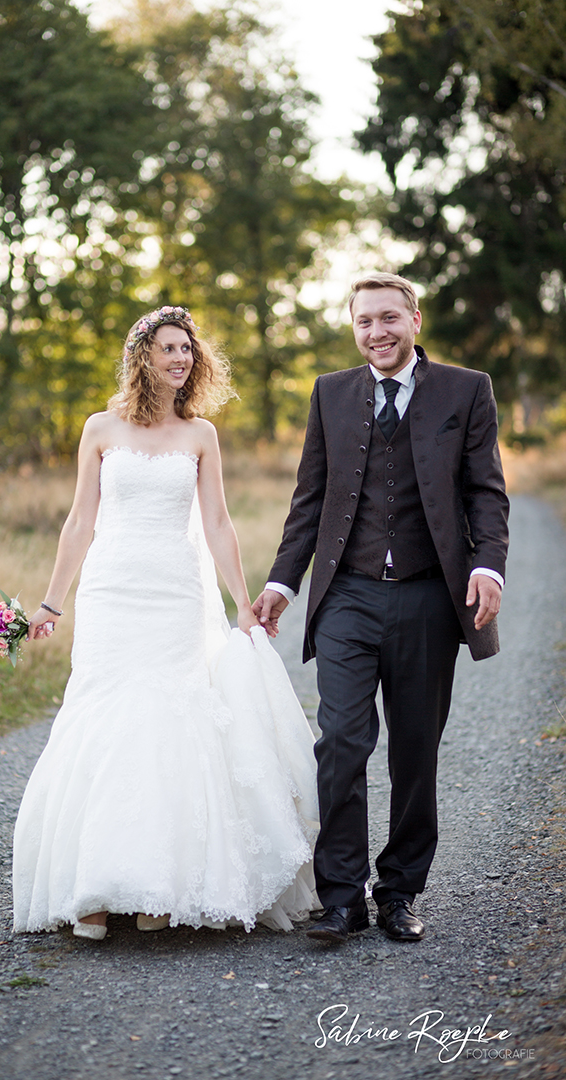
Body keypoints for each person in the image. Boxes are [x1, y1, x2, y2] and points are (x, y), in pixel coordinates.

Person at [12, 305, 318, 941]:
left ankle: (158, 881)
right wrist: (51, 602)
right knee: (103, 716)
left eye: (188, 349)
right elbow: (79, 523)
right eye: (169, 348)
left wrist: (242, 604)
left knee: (166, 723)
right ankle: (91, 890)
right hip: (112, 590)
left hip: (177, 592)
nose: (182, 358)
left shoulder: (201, 434)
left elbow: (218, 524)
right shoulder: (99, 428)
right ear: (142, 357)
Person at [253, 272, 509, 946]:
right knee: (340, 743)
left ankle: (399, 892)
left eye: (389, 318)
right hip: (348, 597)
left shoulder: (466, 390)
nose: (377, 332)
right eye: (364, 321)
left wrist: (488, 568)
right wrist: (281, 585)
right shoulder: (330, 393)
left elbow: (487, 492)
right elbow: (309, 501)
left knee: (415, 752)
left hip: (429, 596)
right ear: (354, 326)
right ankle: (341, 898)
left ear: (414, 319)